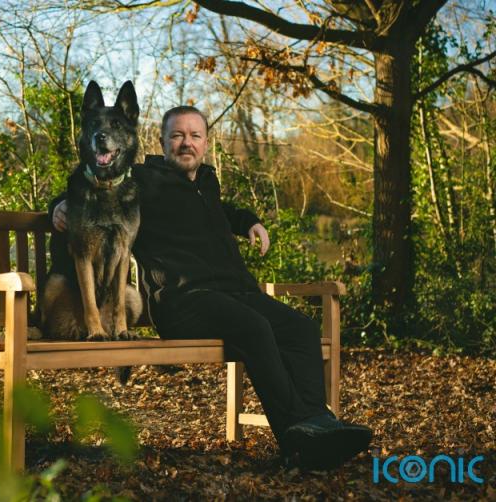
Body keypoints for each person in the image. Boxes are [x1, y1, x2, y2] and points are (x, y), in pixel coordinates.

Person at [50, 105, 372, 470]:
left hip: (235, 294)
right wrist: (58, 207)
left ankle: (318, 422)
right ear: (162, 141)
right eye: (177, 136)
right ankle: (297, 437)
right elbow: (92, 182)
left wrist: (248, 221)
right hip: (181, 301)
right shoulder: (140, 179)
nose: (186, 143)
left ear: (205, 143)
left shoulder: (206, 182)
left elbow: (220, 211)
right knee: (254, 327)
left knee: (301, 329)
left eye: (194, 136)